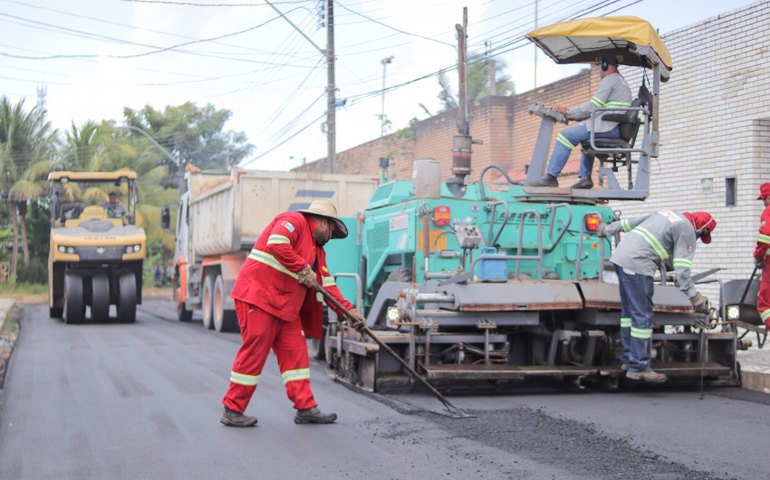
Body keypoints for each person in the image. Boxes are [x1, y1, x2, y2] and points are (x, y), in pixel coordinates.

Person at [220, 199, 360, 427]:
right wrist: (302, 267)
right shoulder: (294, 220)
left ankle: (305, 408)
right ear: (324, 223)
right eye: (332, 232)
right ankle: (232, 410)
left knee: (296, 356)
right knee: (254, 353)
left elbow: (327, 285)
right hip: (259, 298)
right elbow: (277, 243)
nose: (331, 239)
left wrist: (350, 312)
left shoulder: (318, 251)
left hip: (285, 307)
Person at [598, 210, 716, 383]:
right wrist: (694, 297)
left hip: (621, 259)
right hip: (639, 265)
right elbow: (682, 271)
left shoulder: (667, 215)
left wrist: (606, 230)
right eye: (702, 235)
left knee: (629, 313)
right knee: (643, 315)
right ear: (702, 229)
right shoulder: (687, 230)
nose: (698, 238)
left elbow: (629, 222)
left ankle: (627, 359)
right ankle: (638, 367)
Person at [528, 54, 632, 189]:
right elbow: (597, 108)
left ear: (604, 65)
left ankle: (551, 177)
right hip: (613, 126)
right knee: (584, 140)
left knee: (565, 136)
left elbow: (593, 106)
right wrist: (571, 115)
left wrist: (570, 113)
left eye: (599, 66)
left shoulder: (609, 80)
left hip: (607, 126)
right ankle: (585, 178)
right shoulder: (620, 81)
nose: (599, 70)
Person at [754, 182, 770, 329]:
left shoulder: (768, 211)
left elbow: (765, 236)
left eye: (764, 199)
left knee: (764, 304)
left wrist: (758, 256)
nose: (764, 203)